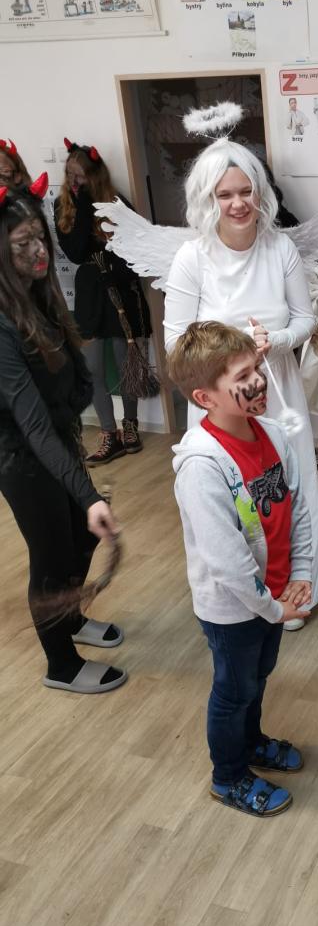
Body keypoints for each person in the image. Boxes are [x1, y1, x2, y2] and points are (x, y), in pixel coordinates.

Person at [164, 137, 318, 621]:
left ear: (260, 192)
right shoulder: (192, 258)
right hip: (221, 399)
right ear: (207, 199)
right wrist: (226, 354)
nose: (237, 204)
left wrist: (274, 341)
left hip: (275, 386)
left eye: (245, 191)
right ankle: (248, 598)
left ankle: (299, 587)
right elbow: (176, 342)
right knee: (234, 496)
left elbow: (305, 320)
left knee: (290, 488)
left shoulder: (280, 248)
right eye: (224, 195)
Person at [168, 321, 312, 816]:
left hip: (271, 599)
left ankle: (250, 743)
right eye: (243, 375)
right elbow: (226, 561)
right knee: (235, 689)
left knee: (259, 675)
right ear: (205, 398)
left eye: (257, 367)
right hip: (233, 609)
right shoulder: (202, 467)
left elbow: (296, 508)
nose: (259, 381)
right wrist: (271, 607)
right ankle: (228, 776)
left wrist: (301, 573)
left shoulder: (271, 433)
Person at [0, 178, 128, 694]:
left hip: (55, 442)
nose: (39, 252)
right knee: (52, 557)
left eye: (40, 238)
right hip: (21, 459)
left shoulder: (37, 298)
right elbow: (31, 423)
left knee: (80, 535)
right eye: (22, 244)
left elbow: (62, 394)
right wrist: (89, 495)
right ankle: (61, 664)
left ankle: (71, 619)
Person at [54, 140, 152, 466]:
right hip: (90, 295)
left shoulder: (118, 204)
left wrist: (116, 272)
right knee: (92, 368)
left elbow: (137, 250)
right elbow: (76, 252)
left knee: (127, 365)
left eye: (80, 175)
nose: (74, 181)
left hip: (120, 290)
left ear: (95, 175)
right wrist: (84, 207)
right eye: (70, 174)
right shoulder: (65, 208)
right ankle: (109, 433)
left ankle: (130, 427)